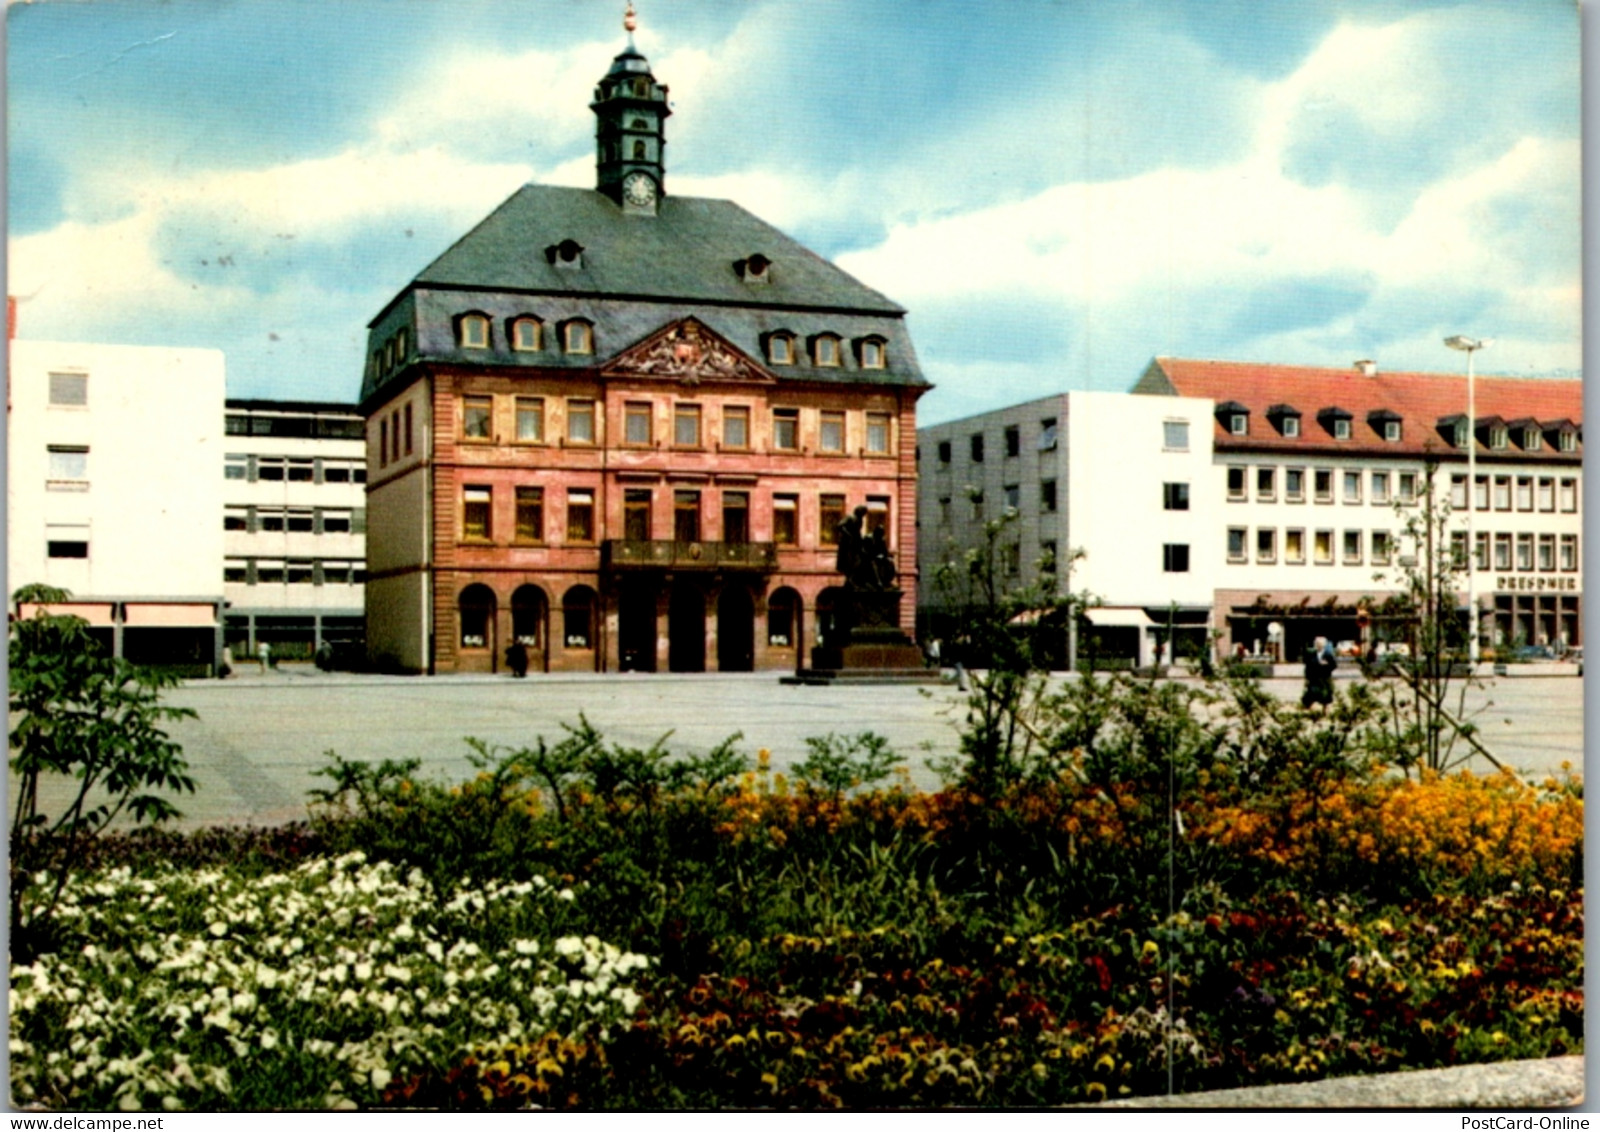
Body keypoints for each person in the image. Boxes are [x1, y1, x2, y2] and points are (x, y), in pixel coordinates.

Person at [1301, 635, 1335, 709]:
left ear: (1323, 645)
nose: (1317, 645)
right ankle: (1311, 713)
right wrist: (1307, 678)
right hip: (1314, 680)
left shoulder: (1328, 655)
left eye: (1319, 644)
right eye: (1316, 644)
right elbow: (1307, 667)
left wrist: (1326, 665)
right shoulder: (1311, 654)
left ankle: (1325, 712)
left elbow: (1334, 666)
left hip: (1324, 680)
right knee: (1310, 697)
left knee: (1325, 698)